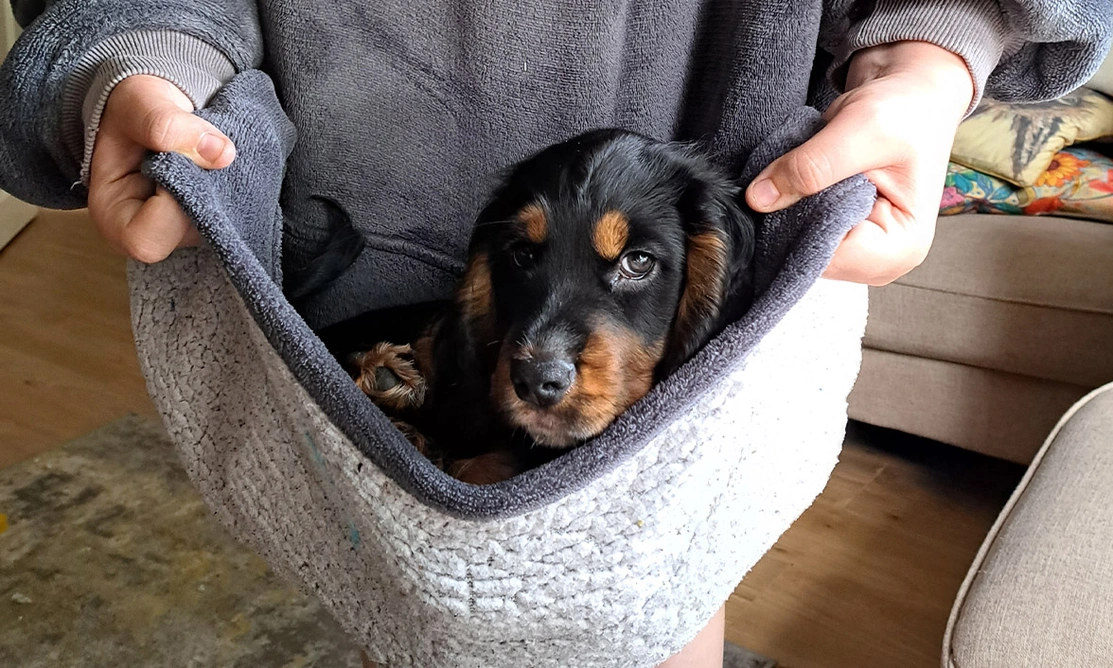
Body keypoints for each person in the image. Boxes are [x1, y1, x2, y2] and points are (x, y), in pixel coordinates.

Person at [1, 2, 1108, 667]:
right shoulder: (483, 321)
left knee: (664, 583)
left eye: (632, 264)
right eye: (527, 260)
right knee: (408, 584)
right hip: (342, 215)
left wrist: (934, 53)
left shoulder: (703, 273)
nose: (546, 339)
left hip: (728, 104)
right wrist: (141, 46)